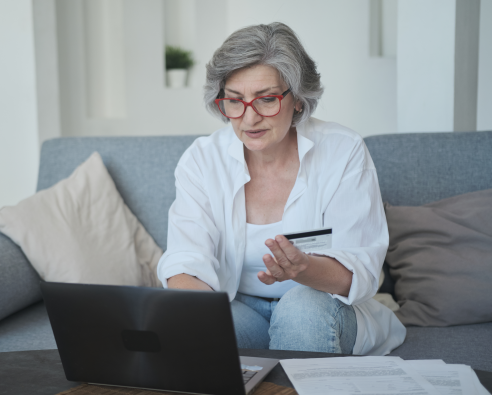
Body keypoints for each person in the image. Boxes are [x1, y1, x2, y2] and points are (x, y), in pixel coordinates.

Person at [157, 22, 405, 355]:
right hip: (240, 306)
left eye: (266, 99)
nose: (249, 119)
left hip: (323, 305)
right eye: (234, 101)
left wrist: (304, 268)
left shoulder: (342, 151)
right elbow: (186, 260)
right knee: (195, 328)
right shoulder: (202, 160)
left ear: (299, 99)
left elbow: (360, 272)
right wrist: (194, 323)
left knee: (299, 313)